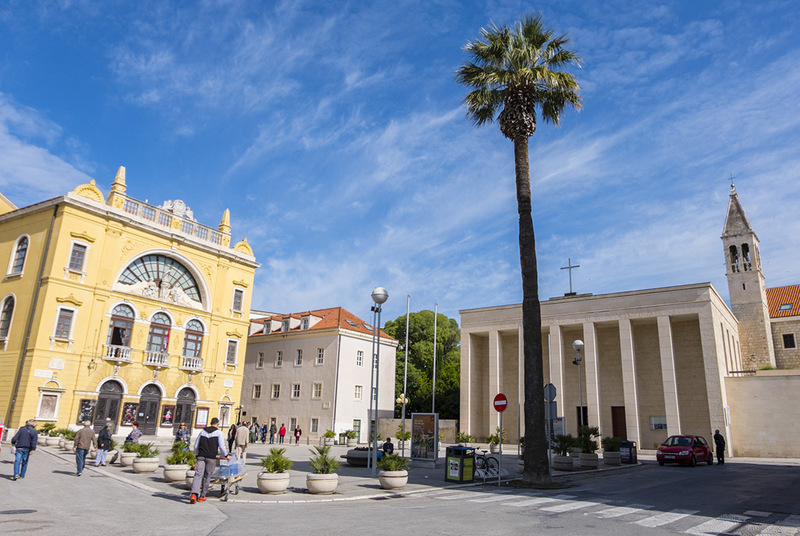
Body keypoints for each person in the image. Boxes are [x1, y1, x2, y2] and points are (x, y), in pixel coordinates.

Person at [190, 417, 228, 504]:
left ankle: (194, 494)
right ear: (217, 424)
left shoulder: (202, 431)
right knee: (207, 476)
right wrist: (226, 455)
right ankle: (202, 496)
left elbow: (196, 445)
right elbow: (222, 446)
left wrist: (196, 454)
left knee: (198, 475)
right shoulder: (219, 433)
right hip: (211, 457)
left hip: (201, 456)